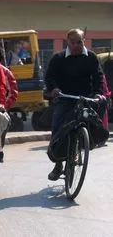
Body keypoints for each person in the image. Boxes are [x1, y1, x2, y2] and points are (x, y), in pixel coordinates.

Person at [45, 28, 104, 181]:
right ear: (67, 42)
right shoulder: (58, 58)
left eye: (80, 42)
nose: (77, 45)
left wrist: (97, 93)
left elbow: (98, 77)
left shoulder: (91, 57)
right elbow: (50, 77)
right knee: (57, 128)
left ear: (83, 41)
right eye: (73, 42)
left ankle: (79, 148)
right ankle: (58, 164)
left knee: (92, 126)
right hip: (65, 98)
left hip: (85, 99)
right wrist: (54, 89)